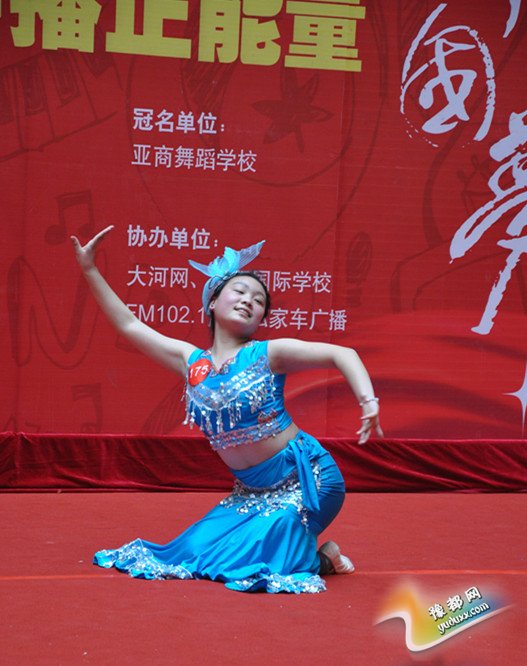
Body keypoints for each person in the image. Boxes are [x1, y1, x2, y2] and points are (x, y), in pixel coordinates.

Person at [71, 226, 383, 593]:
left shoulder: (268, 354)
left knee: (254, 552)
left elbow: (343, 353)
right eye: (240, 291)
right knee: (191, 553)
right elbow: (129, 324)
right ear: (212, 302)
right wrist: (89, 269)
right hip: (250, 493)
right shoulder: (190, 361)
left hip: (310, 481)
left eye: (259, 300)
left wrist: (368, 402)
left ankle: (322, 559)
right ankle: (310, 553)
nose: (249, 300)